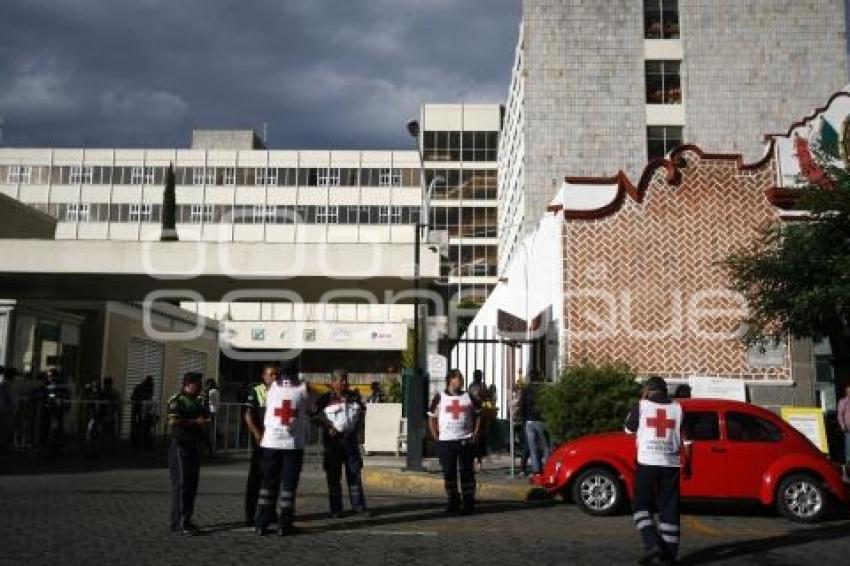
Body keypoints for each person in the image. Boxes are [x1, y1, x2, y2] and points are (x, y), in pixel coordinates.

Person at [624, 376, 692, 566]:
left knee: (640, 505)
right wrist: (688, 464)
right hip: (671, 464)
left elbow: (629, 430)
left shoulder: (642, 405)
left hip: (647, 462)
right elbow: (687, 441)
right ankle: (669, 556)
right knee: (670, 508)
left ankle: (652, 543)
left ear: (647, 390)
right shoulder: (678, 408)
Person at [255, 367, 311, 536]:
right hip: (292, 445)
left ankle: (261, 524)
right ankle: (284, 525)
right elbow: (310, 406)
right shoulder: (303, 389)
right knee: (288, 486)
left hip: (271, 443)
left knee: (267, 484)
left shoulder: (269, 387)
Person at [313, 369, 368, 518]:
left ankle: (359, 507)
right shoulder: (325, 398)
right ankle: (336, 509)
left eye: (346, 379)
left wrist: (358, 429)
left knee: (354, 474)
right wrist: (328, 427)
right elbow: (315, 416)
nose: (345, 382)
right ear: (333, 382)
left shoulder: (354, 397)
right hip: (333, 442)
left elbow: (362, 413)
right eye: (341, 379)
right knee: (333, 477)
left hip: (350, 440)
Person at [428, 369, 480, 514]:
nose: (461, 381)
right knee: (449, 472)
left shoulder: (469, 397)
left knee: (467, 472)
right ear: (450, 380)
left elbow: (478, 415)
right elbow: (431, 417)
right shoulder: (440, 397)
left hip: (465, 440)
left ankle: (469, 501)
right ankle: (453, 501)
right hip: (446, 441)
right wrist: (436, 437)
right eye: (459, 378)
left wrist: (475, 434)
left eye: (462, 378)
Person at [167, 372, 209, 536]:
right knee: (182, 485)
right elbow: (173, 420)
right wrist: (195, 422)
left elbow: (205, 418)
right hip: (180, 446)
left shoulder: (197, 401)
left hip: (194, 446)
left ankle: (186, 519)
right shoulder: (177, 400)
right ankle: (179, 522)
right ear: (187, 385)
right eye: (197, 385)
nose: (200, 389)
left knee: (192, 485)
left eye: (201, 386)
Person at [243, 363, 277, 526]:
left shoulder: (281, 391)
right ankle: (250, 514)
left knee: (272, 477)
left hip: (275, 441)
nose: (273, 377)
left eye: (276, 374)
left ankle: (270, 512)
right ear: (263, 376)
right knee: (256, 477)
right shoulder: (256, 391)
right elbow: (248, 415)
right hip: (260, 441)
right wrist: (257, 433)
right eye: (270, 374)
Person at [520, 370, 550, 475]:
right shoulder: (544, 389)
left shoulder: (526, 390)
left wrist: (524, 420)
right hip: (542, 420)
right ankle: (547, 468)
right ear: (539, 378)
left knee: (533, 448)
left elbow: (522, 406)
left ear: (530, 378)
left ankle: (536, 470)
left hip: (529, 421)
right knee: (546, 446)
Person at [131, 376, 155, 448]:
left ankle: (144, 443)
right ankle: (138, 443)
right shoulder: (140, 388)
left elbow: (149, 399)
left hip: (145, 410)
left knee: (145, 426)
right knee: (139, 427)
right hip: (138, 410)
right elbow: (134, 398)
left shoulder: (149, 388)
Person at [838, 384, 850, 480]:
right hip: (848, 429)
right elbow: (840, 415)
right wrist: (843, 426)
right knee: (848, 452)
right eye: (849, 391)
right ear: (847, 392)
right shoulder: (843, 402)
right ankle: (846, 474)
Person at [204, 379, 220, 453]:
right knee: (211, 429)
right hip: (212, 411)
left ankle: (211, 447)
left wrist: (206, 391)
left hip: (211, 411)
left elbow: (207, 398)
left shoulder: (213, 391)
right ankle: (211, 447)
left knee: (210, 430)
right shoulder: (214, 391)